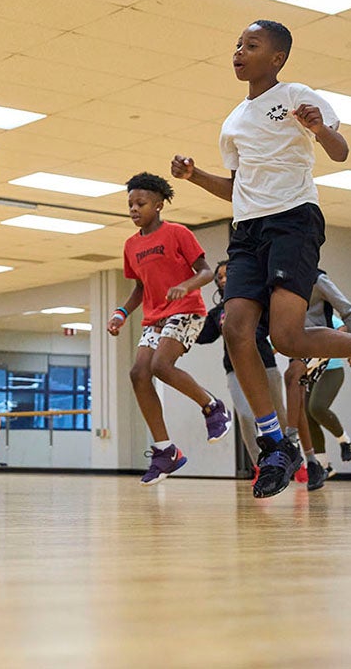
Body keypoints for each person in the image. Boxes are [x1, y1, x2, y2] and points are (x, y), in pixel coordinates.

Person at [172, 19, 351, 499]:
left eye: (251, 45)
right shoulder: (233, 122)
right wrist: (196, 176)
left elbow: (340, 153)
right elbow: (236, 188)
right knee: (237, 328)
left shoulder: (298, 94)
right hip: (247, 230)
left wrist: (319, 129)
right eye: (236, 44)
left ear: (276, 58)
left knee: (285, 336)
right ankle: (276, 443)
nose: (238, 51)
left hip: (294, 220)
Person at [107, 172, 231, 486]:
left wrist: (183, 286)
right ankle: (166, 451)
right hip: (155, 316)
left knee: (161, 365)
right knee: (138, 373)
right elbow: (140, 288)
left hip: (187, 310)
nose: (134, 209)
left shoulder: (178, 233)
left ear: (159, 205)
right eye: (130, 204)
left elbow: (205, 272)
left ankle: (212, 407)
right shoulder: (131, 245)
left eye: (141, 203)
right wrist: (122, 313)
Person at [196, 260, 286, 480]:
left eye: (228, 275)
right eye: (219, 277)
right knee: (246, 415)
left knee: (279, 413)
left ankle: (289, 455)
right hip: (235, 369)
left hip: (265, 363)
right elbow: (203, 336)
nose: (223, 279)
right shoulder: (218, 312)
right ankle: (261, 466)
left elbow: (271, 324)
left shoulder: (256, 302)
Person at [299, 271, 351, 476]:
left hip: (332, 369)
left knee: (316, 407)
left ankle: (345, 440)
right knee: (307, 414)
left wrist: (350, 347)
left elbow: (343, 327)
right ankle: (324, 465)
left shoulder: (325, 315)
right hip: (310, 366)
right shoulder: (296, 316)